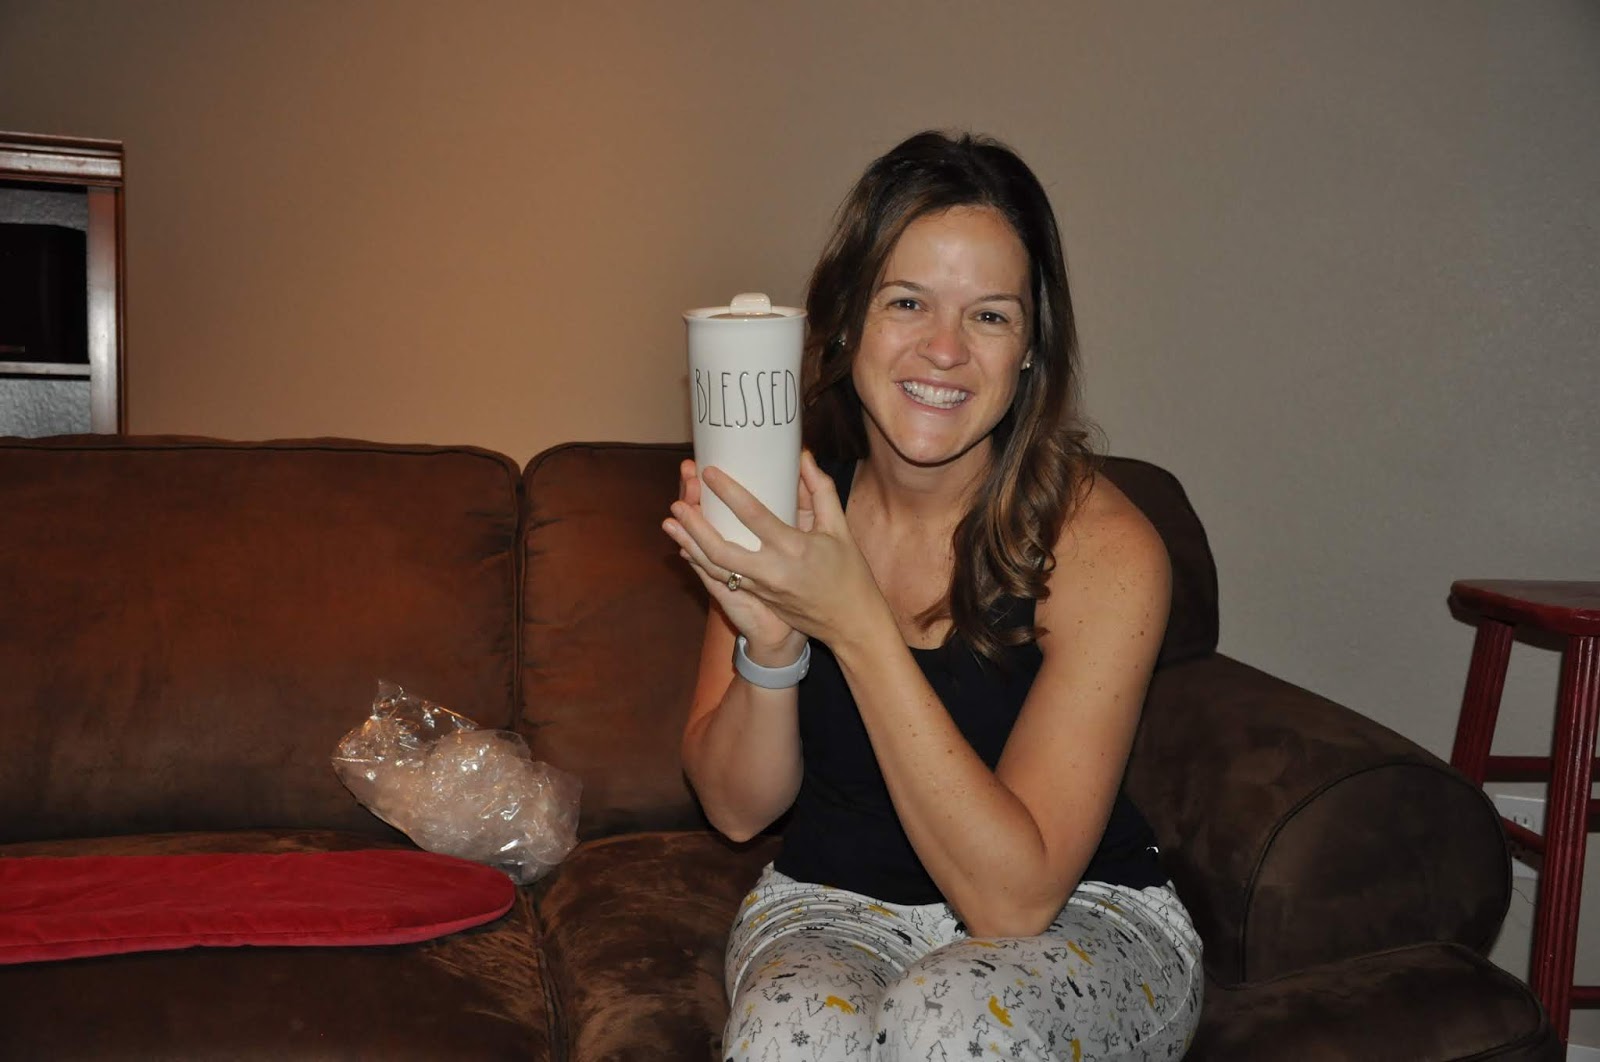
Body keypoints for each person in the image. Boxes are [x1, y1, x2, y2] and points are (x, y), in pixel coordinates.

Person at [662, 131, 1202, 1061]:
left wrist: (854, 624)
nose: (944, 350)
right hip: (833, 908)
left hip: (1077, 917)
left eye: (989, 316)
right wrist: (773, 650)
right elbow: (738, 810)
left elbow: (1013, 903)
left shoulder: (1108, 550)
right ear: (847, 322)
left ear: (1030, 350)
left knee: (951, 1019)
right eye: (907, 302)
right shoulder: (785, 506)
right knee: (788, 1037)